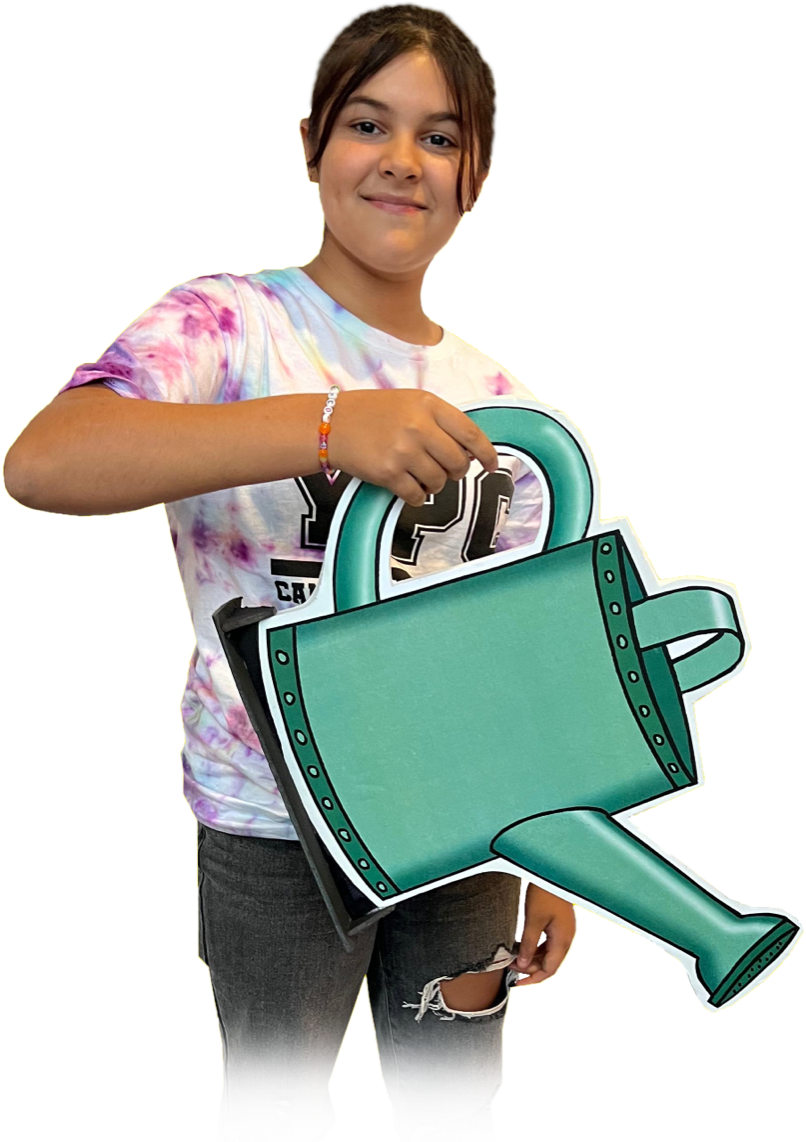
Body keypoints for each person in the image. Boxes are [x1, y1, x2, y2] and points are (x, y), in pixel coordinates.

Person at [4, 6, 574, 1139]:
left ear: (478, 179)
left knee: (457, 1110)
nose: (402, 161)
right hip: (270, 817)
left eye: (441, 137)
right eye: (369, 123)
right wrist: (324, 428)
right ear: (311, 141)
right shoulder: (227, 323)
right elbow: (44, 461)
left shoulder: (506, 403)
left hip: (458, 828)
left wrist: (546, 852)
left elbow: (516, 657)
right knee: (273, 1112)